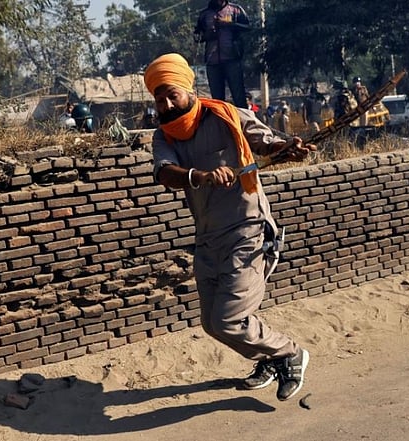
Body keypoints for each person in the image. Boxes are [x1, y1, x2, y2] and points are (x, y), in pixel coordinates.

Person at [143, 53, 314, 401]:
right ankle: (268, 358)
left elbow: (268, 144)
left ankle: (288, 353)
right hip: (207, 239)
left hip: (248, 230)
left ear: (189, 89)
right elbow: (164, 173)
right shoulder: (165, 136)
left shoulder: (227, 115)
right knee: (211, 322)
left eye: (171, 95)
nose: (166, 104)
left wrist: (288, 149)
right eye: (159, 99)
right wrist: (199, 176)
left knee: (228, 320)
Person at [194, 0, 250, 109]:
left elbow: (248, 26)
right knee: (217, 101)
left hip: (233, 58)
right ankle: (220, 124)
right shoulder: (204, 14)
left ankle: (244, 124)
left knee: (239, 97)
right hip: (212, 61)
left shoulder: (236, 10)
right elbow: (197, 36)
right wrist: (207, 35)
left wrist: (231, 24)